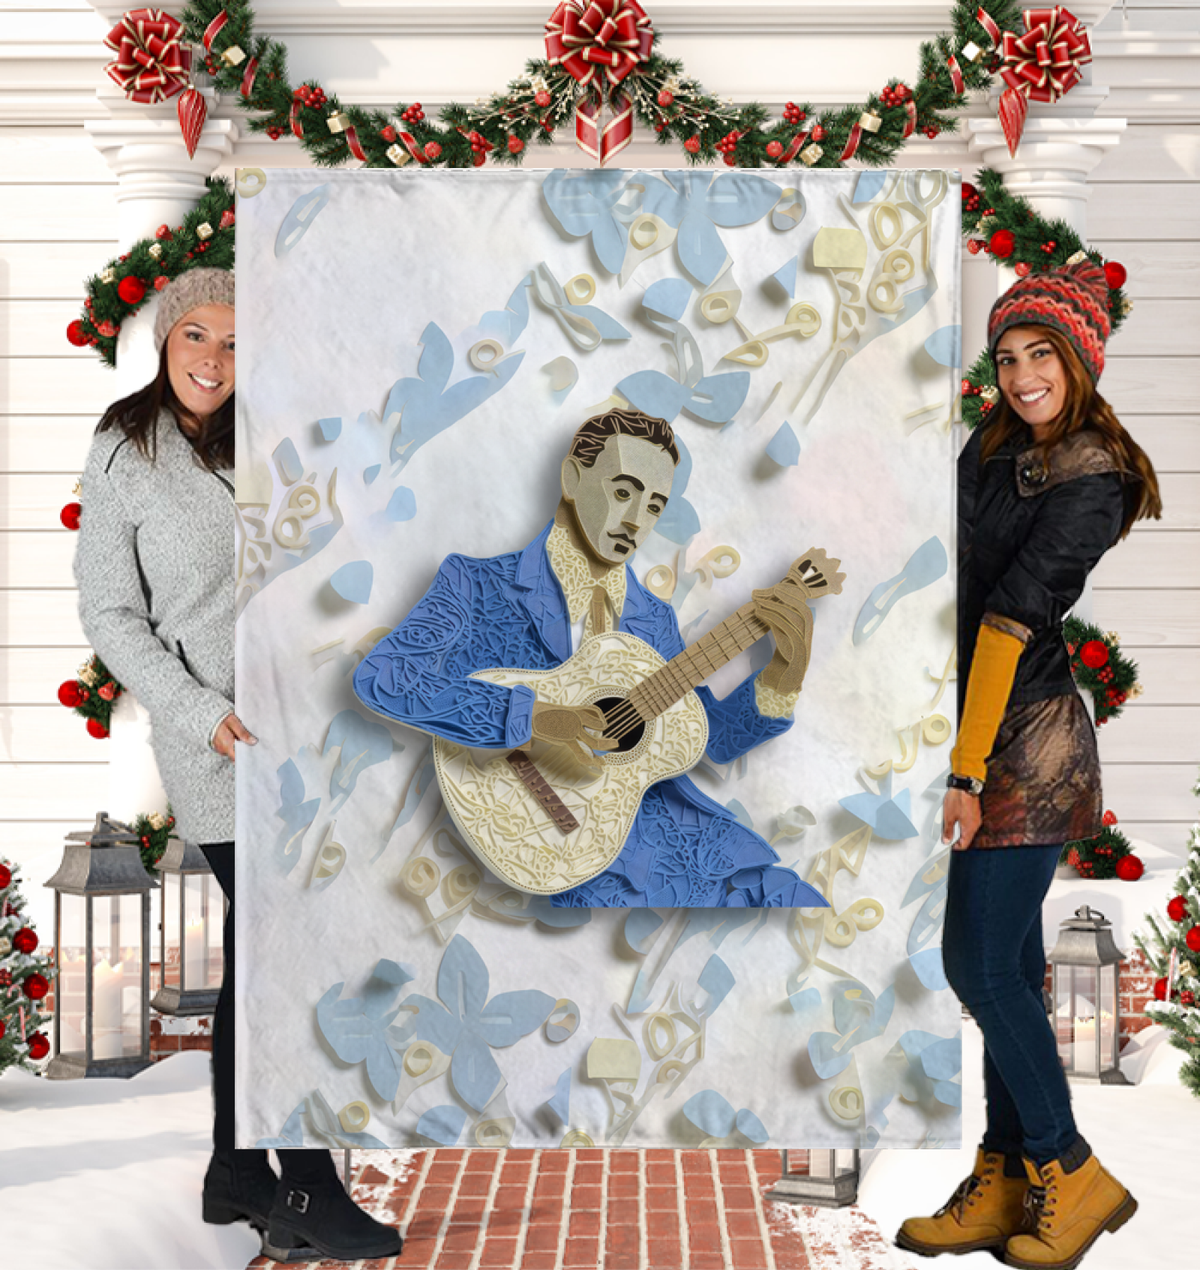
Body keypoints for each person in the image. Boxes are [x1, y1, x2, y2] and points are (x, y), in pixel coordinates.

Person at [74, 268, 401, 1263]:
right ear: (167, 343)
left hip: (305, 729)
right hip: (217, 742)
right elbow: (111, 615)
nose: (215, 360)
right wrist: (198, 711)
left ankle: (233, 1170)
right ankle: (301, 1184)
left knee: (273, 957)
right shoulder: (125, 449)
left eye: (234, 341)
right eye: (196, 338)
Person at [897, 261, 1161, 1268]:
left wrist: (965, 774)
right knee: (1002, 964)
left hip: (1030, 744)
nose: (1019, 374)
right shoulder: (999, 447)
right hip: (972, 719)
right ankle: (1006, 1177)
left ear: (1079, 360)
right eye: (1007, 357)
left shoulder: (1095, 475)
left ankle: (1070, 1167)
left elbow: (1011, 618)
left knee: (973, 961)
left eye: (1039, 354)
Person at [354, 406, 830, 908]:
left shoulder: (654, 621)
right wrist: (535, 717)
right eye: (623, 491)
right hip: (510, 815)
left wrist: (782, 676)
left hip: (651, 852)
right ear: (572, 476)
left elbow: (704, 737)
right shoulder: (475, 584)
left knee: (785, 894)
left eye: (653, 506)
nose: (634, 521)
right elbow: (385, 676)